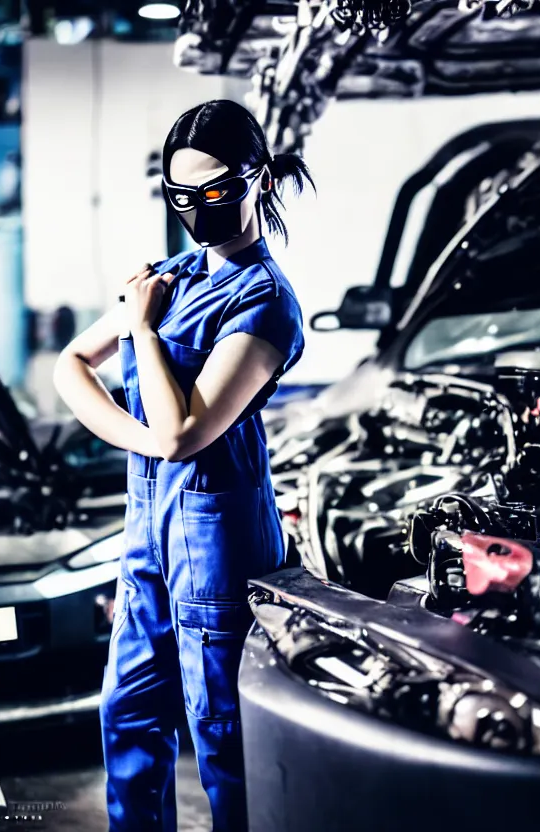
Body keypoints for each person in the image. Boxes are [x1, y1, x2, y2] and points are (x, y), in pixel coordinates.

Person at [53, 99, 314, 832]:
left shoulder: (265, 305)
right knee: (128, 717)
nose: (198, 210)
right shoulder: (173, 276)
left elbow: (182, 434)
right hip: (148, 536)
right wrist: (140, 437)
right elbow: (70, 365)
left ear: (256, 179)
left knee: (225, 740)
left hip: (218, 542)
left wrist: (141, 329)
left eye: (214, 192)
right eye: (180, 196)